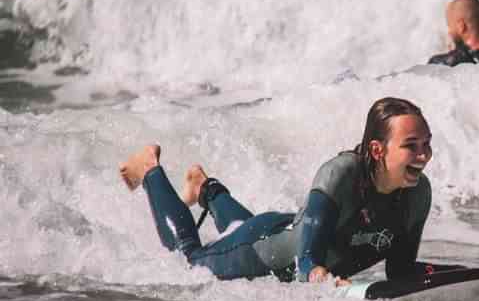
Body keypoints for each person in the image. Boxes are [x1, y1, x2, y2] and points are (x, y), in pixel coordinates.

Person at [119, 97, 460, 284]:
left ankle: (205, 188)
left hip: (277, 231)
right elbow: (305, 262)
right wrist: (319, 277)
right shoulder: (340, 174)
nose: (424, 155)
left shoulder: (417, 194)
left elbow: (400, 272)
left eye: (427, 144)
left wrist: (465, 276)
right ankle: (149, 168)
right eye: (412, 146)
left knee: (240, 229)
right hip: (261, 253)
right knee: (188, 260)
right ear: (377, 150)